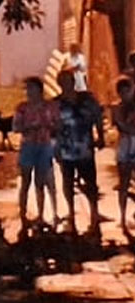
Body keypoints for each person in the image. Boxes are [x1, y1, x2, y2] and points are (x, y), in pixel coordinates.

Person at [53, 68, 104, 237]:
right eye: (64, 81)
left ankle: (94, 213)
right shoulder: (56, 103)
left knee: (90, 181)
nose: (67, 84)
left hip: (85, 147)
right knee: (68, 182)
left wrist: (100, 135)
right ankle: (71, 213)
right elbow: (53, 128)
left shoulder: (87, 99)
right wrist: (56, 148)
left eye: (70, 80)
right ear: (59, 83)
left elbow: (97, 116)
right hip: (66, 148)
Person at [11, 77, 60, 232]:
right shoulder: (22, 108)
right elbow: (16, 127)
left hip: (44, 144)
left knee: (41, 181)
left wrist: (49, 127)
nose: (28, 92)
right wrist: (30, 127)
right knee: (25, 181)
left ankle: (41, 214)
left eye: (31, 88)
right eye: (27, 89)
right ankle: (23, 214)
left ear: (39, 90)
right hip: (28, 145)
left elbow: (58, 123)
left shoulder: (49, 106)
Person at [112, 77, 135, 230]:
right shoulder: (117, 109)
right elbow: (122, 126)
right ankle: (122, 215)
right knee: (124, 182)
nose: (125, 94)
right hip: (125, 146)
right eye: (122, 92)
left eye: (128, 91)